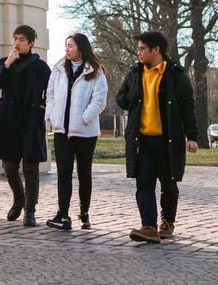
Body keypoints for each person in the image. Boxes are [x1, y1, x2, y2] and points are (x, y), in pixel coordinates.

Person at [116, 31, 198, 243]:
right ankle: (149, 226)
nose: (139, 52)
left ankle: (167, 222)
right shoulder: (135, 72)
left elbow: (187, 106)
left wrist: (192, 135)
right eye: (139, 48)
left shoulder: (175, 74)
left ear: (156, 50)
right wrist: (131, 97)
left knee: (168, 183)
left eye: (143, 48)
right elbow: (121, 97)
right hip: (142, 139)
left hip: (168, 139)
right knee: (143, 182)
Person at [0, 24, 51, 227]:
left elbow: (52, 92)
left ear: (31, 43)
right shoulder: (4, 62)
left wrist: (42, 108)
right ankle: (19, 199)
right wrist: (7, 64)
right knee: (9, 166)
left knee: (31, 167)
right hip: (9, 121)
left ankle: (30, 211)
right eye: (15, 38)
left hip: (31, 120)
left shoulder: (40, 67)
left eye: (21, 39)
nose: (16, 43)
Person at [43, 32, 108, 230]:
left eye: (70, 45)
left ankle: (84, 212)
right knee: (63, 173)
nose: (67, 49)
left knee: (84, 173)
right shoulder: (58, 69)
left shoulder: (95, 71)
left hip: (85, 132)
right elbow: (51, 94)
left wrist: (84, 118)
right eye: (66, 46)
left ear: (81, 48)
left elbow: (99, 100)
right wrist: (52, 116)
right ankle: (63, 214)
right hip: (62, 130)